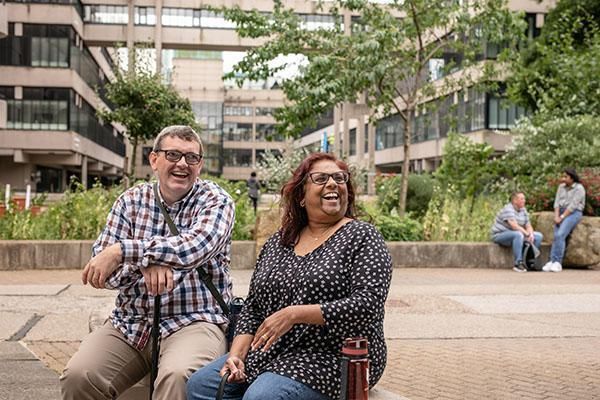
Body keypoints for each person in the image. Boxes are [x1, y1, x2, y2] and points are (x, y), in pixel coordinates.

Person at [186, 152, 392, 400]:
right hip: (273, 351)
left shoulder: (362, 236)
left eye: (340, 178)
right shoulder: (280, 241)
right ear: (302, 196)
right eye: (321, 178)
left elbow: (367, 305)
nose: (332, 183)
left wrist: (294, 314)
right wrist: (236, 356)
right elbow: (253, 307)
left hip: (334, 355)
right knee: (200, 386)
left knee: (262, 397)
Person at [60, 126, 236, 400]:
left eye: (191, 158)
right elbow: (102, 274)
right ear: (154, 160)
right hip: (131, 322)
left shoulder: (216, 201)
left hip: (195, 320)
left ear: (200, 165)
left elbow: (194, 248)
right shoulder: (130, 201)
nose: (182, 164)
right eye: (173, 154)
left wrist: (123, 251)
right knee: (80, 375)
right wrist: (145, 263)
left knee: (180, 376)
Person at [542, 168, 586, 273]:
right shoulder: (561, 187)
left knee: (561, 234)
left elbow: (573, 206)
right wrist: (557, 216)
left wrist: (562, 217)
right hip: (560, 212)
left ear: (572, 178)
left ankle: (557, 262)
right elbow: (557, 203)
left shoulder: (579, 189)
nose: (563, 179)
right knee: (556, 235)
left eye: (565, 177)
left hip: (573, 212)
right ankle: (552, 261)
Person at [491, 191, 543, 272]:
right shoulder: (508, 209)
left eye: (524, 199)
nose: (524, 201)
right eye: (522, 199)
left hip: (517, 234)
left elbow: (528, 225)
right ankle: (518, 263)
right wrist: (526, 234)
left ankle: (530, 262)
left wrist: (531, 234)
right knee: (518, 235)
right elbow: (514, 226)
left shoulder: (523, 210)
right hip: (500, 235)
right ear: (515, 201)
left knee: (538, 236)